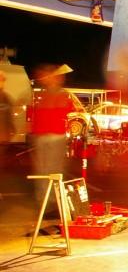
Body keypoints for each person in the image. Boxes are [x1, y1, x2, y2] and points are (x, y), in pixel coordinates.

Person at [29, 64, 76, 209]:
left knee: (52, 169)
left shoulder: (58, 95)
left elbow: (67, 114)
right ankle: (45, 198)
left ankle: (51, 199)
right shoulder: (43, 95)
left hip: (54, 136)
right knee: (44, 169)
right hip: (45, 136)